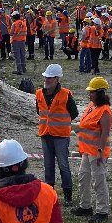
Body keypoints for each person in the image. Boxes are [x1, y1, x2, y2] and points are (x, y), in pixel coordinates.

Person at [71, 77, 112, 223]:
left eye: (92, 92)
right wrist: (73, 126)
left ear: (99, 93)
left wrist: (100, 151)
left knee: (99, 180)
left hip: (97, 152)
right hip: (87, 151)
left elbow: (105, 132)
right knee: (83, 177)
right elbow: (86, 124)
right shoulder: (92, 106)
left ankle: (102, 211)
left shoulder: (105, 111)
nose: (89, 95)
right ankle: (85, 206)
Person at [36, 64, 79, 206]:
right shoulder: (39, 94)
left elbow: (74, 113)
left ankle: (68, 195)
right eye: (46, 77)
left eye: (50, 77)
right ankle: (50, 193)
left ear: (57, 79)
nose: (47, 79)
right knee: (48, 165)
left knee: (63, 165)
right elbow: (39, 111)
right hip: (45, 133)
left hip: (61, 135)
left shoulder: (66, 94)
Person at [10, 11, 27, 75]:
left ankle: (19, 70)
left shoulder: (14, 24)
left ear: (14, 18)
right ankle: (23, 68)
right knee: (22, 55)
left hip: (16, 41)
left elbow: (11, 33)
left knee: (17, 56)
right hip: (22, 41)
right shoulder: (23, 23)